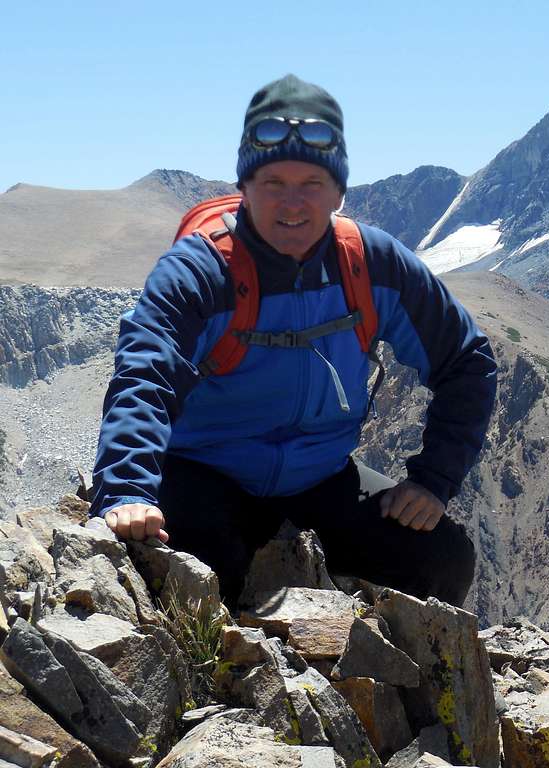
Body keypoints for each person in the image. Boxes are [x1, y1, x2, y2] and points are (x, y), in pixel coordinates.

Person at [89, 74, 497, 608]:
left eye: (311, 183)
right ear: (245, 185)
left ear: (339, 190)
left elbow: (466, 360)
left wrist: (433, 480)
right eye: (273, 182)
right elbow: (145, 373)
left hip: (320, 476)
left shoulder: (371, 264)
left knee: (442, 561)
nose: (292, 203)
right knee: (196, 573)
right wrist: (126, 491)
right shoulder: (199, 270)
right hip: (205, 470)